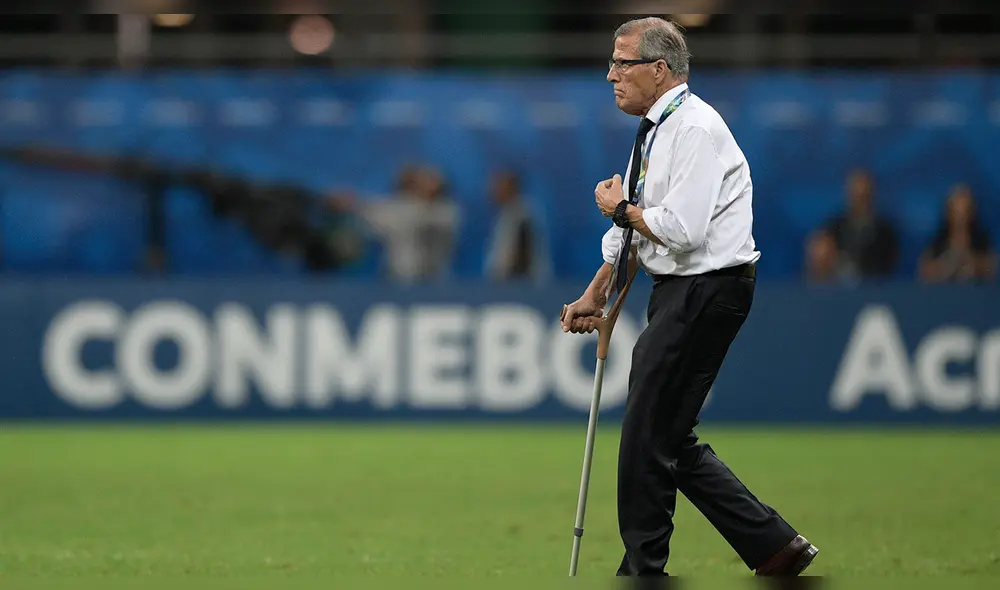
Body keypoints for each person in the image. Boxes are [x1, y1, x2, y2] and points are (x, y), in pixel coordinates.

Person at [559, 17, 818, 577]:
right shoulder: (655, 130)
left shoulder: (694, 128)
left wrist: (619, 209)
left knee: (646, 434)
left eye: (621, 63)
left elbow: (680, 229)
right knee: (665, 436)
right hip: (683, 290)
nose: (610, 75)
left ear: (658, 70)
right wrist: (594, 295)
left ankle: (642, 570)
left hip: (707, 288)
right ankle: (775, 546)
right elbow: (629, 236)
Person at [805, 169, 898, 282]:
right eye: (856, 196)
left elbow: (885, 268)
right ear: (849, 195)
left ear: (872, 196)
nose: (860, 202)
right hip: (836, 289)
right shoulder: (834, 228)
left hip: (873, 290)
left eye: (864, 196)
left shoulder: (885, 232)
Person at [919, 183, 996, 283]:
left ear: (972, 212)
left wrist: (972, 264)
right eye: (956, 211)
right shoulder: (938, 241)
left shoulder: (981, 240)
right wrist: (945, 266)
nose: (960, 218)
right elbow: (924, 270)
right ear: (948, 212)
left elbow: (991, 267)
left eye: (965, 210)